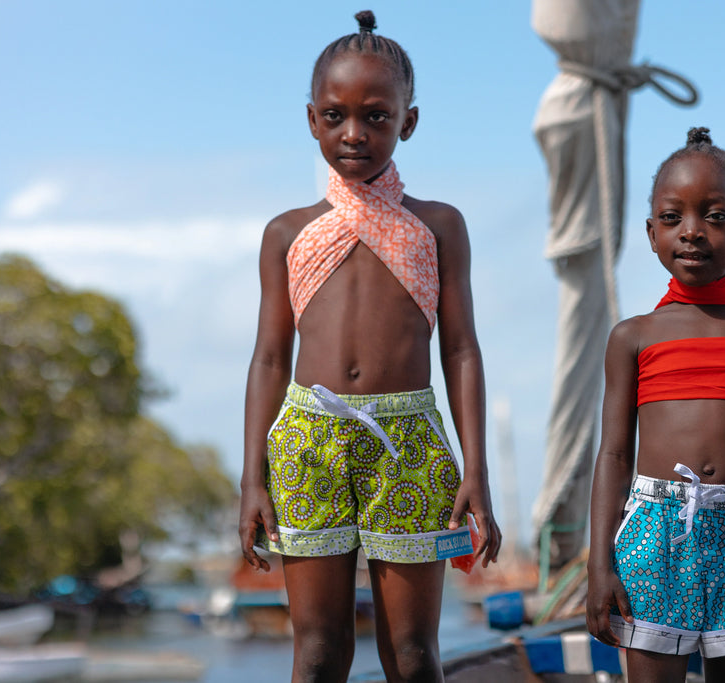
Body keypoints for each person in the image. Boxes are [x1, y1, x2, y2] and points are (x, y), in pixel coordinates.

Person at [238, 10, 501, 682]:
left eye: (377, 117)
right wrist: (251, 479)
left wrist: (477, 470)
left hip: (409, 441)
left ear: (408, 122)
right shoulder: (286, 232)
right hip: (307, 441)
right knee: (320, 652)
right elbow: (269, 357)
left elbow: (462, 350)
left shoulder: (438, 226)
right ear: (311, 119)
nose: (354, 133)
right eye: (335, 115)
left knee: (413, 657)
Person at [585, 128, 725, 683]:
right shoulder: (632, 336)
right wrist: (599, 565)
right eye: (672, 218)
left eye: (714, 216)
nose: (692, 232)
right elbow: (614, 454)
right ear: (651, 233)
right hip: (655, 533)